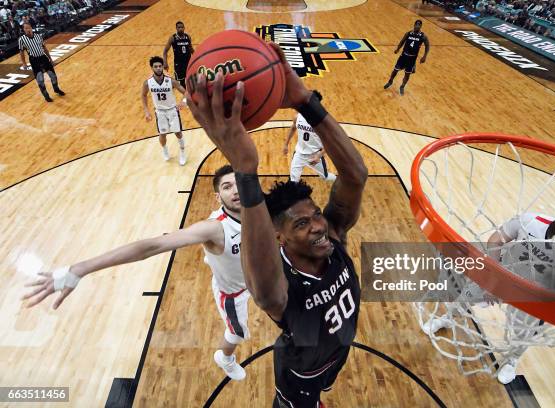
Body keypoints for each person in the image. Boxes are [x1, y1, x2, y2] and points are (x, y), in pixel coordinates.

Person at [186, 42, 368, 408]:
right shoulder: (279, 284)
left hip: (338, 347)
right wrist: (243, 167)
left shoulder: (332, 234)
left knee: (329, 381)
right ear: (280, 238)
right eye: (303, 224)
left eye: (315, 214)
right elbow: (265, 291)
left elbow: (356, 174)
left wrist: (305, 101)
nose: (318, 225)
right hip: (300, 372)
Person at [22, 165, 249, 381]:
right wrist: (79, 269)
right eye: (226, 187)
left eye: (238, 183)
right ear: (218, 197)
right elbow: (150, 247)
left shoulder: (258, 209)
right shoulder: (213, 228)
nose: (235, 190)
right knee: (236, 333)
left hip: (255, 276)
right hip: (234, 291)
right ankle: (224, 357)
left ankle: (217, 258)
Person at [423, 199, 555, 384]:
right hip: (501, 275)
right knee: (464, 300)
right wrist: (494, 276)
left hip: (534, 296)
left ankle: (511, 360)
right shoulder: (531, 221)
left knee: (525, 333)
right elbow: (496, 240)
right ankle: (447, 319)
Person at [142, 56, 188, 165]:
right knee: (162, 135)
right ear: (152, 68)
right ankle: (165, 150)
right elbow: (143, 95)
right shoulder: (147, 83)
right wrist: (146, 111)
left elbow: (185, 92)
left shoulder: (171, 81)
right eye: (155, 66)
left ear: (163, 66)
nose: (158, 68)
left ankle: (182, 152)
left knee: (178, 133)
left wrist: (184, 101)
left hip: (172, 110)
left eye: (160, 66)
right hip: (160, 112)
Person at [282, 90, 337, 183]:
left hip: (315, 154)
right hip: (299, 154)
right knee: (293, 181)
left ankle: (341, 181)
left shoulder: (322, 122)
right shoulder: (298, 117)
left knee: (326, 177)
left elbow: (330, 143)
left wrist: (319, 156)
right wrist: (286, 144)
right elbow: (292, 128)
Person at [18, 22, 65, 102]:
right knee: (40, 80)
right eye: (25, 28)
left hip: (43, 58)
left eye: (28, 28)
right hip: (34, 60)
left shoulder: (38, 36)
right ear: (24, 30)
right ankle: (46, 96)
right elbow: (21, 52)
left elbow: (44, 48)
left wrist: (50, 58)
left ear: (31, 28)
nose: (27, 30)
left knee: (53, 76)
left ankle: (56, 89)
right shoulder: (21, 39)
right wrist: (24, 63)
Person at [384, 19, 430, 95]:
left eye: (419, 25)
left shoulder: (423, 36)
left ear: (421, 26)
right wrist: (398, 49)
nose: (417, 26)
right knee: (395, 70)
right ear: (414, 25)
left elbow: (427, 46)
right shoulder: (408, 33)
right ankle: (390, 81)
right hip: (403, 56)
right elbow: (402, 41)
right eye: (416, 24)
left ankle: (402, 86)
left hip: (412, 59)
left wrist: (425, 56)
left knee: (407, 74)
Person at [163, 21, 194, 89]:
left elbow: (190, 48)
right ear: (176, 28)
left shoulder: (188, 36)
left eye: (182, 27)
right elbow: (165, 51)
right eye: (179, 27)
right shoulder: (173, 37)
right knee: (181, 81)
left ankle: (188, 92)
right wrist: (165, 62)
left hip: (188, 62)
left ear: (184, 28)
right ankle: (173, 86)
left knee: (190, 78)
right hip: (179, 63)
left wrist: (196, 57)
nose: (180, 29)